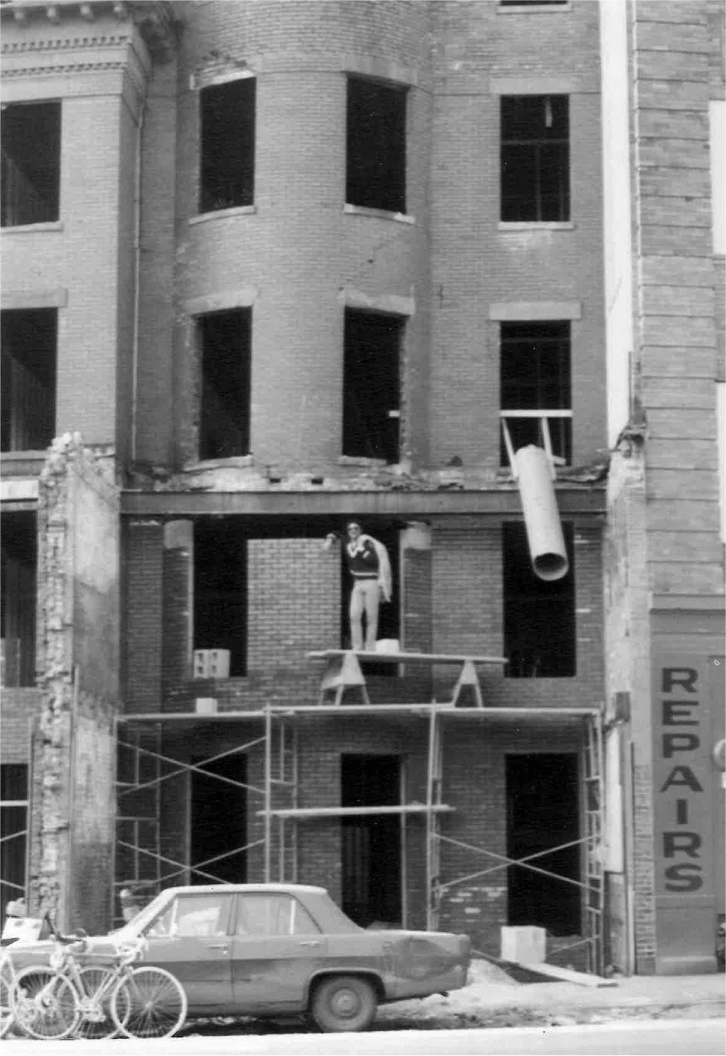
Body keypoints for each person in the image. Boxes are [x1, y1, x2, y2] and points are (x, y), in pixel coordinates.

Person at [324, 521, 392, 651]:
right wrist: (330, 539)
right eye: (350, 529)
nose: (353, 530)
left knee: (371, 617)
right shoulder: (348, 543)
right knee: (354, 616)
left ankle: (370, 648)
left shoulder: (367, 543)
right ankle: (357, 647)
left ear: (360, 530)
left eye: (355, 528)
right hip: (357, 583)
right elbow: (336, 533)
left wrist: (362, 549)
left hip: (371, 582)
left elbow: (374, 561)